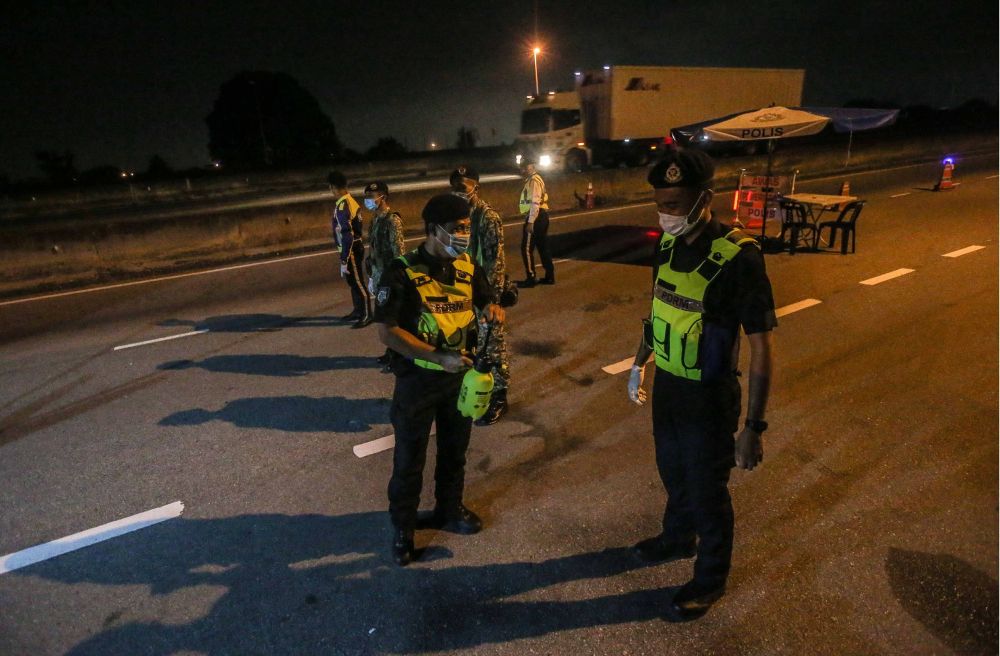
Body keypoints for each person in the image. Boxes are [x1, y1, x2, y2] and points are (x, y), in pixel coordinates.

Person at [626, 149, 776, 620]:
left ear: (705, 198)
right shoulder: (666, 245)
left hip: (709, 395)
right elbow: (659, 311)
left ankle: (710, 579)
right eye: (660, 204)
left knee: (707, 490)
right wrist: (639, 363)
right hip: (669, 385)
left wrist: (753, 425)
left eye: (676, 203)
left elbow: (762, 347)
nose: (666, 214)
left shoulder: (739, 257)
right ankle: (676, 538)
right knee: (671, 471)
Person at [374, 194, 505, 566]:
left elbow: (485, 298)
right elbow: (387, 332)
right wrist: (436, 357)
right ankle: (403, 529)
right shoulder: (402, 271)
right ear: (434, 230)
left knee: (455, 453)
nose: (465, 235)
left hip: (458, 380)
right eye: (460, 229)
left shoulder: (467, 266)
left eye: (467, 228)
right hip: (418, 382)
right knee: (409, 459)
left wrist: (492, 308)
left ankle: (450, 510)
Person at [450, 165, 511, 425]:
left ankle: (498, 396)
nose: (459, 192)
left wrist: (492, 301)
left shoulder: (487, 217)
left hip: (484, 296)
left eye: (463, 187)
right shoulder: (455, 217)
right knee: (470, 345)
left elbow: (496, 263)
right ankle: (473, 392)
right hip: (462, 295)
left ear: (476, 186)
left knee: (492, 348)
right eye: (455, 187)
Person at [364, 180, 404, 371]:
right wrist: (371, 274)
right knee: (384, 319)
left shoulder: (392, 221)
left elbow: (399, 252)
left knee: (392, 319)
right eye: (367, 198)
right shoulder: (375, 220)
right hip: (379, 275)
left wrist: (396, 279)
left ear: (383, 198)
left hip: (390, 277)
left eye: (371, 197)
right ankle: (390, 353)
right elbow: (373, 249)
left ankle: (397, 356)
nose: (368, 201)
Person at [328, 171, 371, 328]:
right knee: (353, 281)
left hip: (351, 248)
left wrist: (344, 258)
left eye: (331, 188)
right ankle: (358, 310)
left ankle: (367, 313)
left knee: (358, 281)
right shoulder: (349, 201)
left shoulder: (343, 205)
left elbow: (347, 234)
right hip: (353, 246)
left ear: (334, 187)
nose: (331, 191)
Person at [517, 156, 553, 287]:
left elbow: (535, 202)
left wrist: (531, 221)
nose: (523, 169)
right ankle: (550, 276)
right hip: (541, 216)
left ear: (532, 167)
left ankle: (531, 277)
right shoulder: (535, 179)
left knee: (526, 249)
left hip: (536, 217)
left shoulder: (533, 181)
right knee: (543, 247)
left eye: (525, 166)